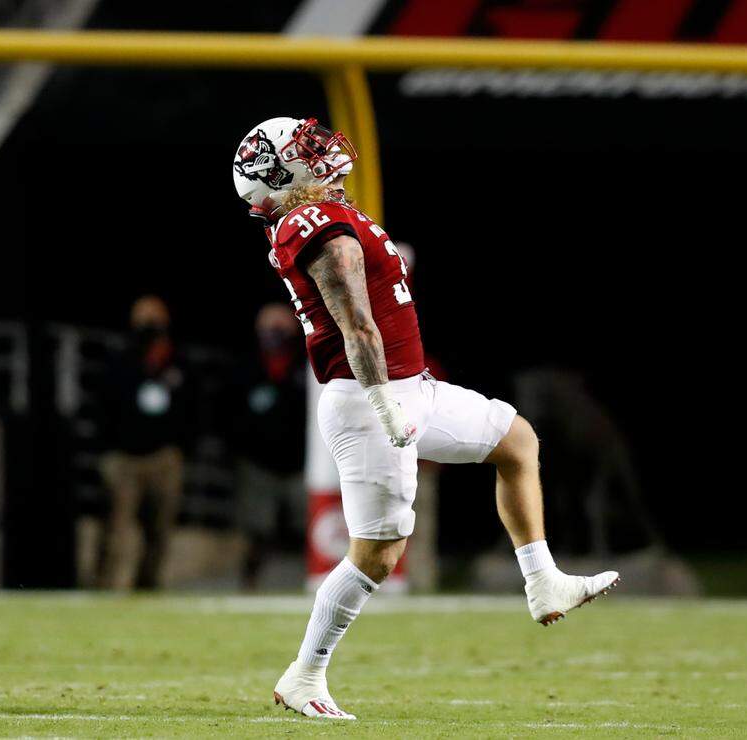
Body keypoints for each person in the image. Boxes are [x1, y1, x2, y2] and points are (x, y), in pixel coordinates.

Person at [232, 117, 619, 720]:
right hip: (370, 395)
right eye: (305, 150)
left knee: (515, 440)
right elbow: (357, 324)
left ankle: (543, 579)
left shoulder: (327, 214)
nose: (325, 151)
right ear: (281, 174)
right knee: (379, 554)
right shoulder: (313, 225)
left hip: (413, 386)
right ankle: (305, 674)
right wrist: (386, 404)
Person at [94, 295, 189, 590]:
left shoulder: (176, 361)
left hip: (163, 457)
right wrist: (107, 450)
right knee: (116, 528)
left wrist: (182, 447)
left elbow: (192, 408)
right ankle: (105, 586)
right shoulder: (119, 360)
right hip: (123, 458)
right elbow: (102, 407)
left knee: (159, 530)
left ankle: (148, 586)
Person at [232, 303, 308, 589]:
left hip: (300, 462)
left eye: (281, 327)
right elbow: (229, 411)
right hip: (258, 463)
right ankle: (249, 583)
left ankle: (314, 581)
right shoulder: (246, 367)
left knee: (307, 527)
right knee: (257, 530)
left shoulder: (308, 364)